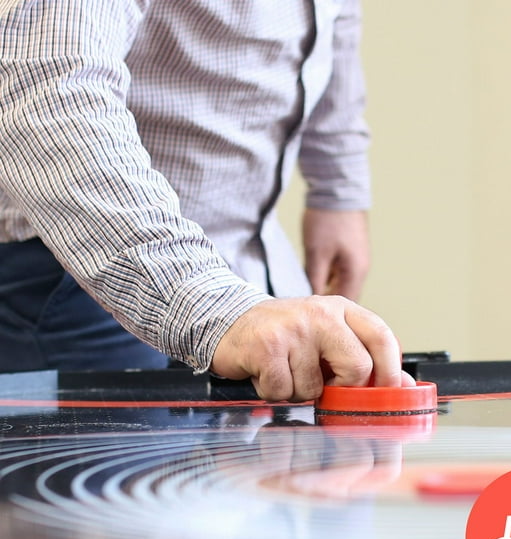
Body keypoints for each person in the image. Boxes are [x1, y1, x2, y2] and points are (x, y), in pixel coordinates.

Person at [0, 0, 413, 401]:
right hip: (86, 280)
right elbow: (47, 91)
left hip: (243, 277)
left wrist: (338, 192)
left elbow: (333, 23)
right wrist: (214, 307)